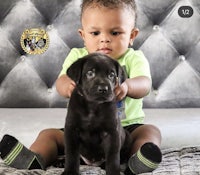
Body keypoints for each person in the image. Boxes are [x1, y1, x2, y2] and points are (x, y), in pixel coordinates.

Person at [0, 0, 162, 174]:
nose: (104, 39)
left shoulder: (133, 58)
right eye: (95, 33)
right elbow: (62, 80)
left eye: (115, 33)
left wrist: (128, 86)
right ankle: (35, 158)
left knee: (150, 131)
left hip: (125, 130)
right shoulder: (78, 57)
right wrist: (67, 86)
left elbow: (144, 84)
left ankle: (137, 161)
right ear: (83, 35)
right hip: (81, 132)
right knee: (49, 134)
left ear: (131, 36)